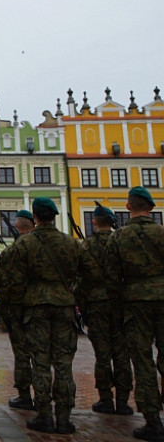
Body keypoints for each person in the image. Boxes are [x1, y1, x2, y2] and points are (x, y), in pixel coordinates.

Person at [2, 197, 97, 434]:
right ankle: (64, 418)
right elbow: (93, 274)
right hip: (63, 306)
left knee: (40, 363)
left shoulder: (24, 245)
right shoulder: (71, 243)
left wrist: (16, 308)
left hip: (35, 308)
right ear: (54, 216)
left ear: (35, 217)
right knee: (64, 364)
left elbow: (12, 282)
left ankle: (43, 415)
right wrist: (73, 294)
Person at [104, 186, 164, 442]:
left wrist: (119, 304)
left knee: (142, 360)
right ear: (151, 208)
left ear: (128, 207)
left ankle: (152, 420)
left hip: (135, 302)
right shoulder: (162, 233)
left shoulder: (119, 237)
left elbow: (110, 276)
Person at [80, 202, 132, 416]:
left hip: (96, 304)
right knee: (122, 353)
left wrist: (84, 306)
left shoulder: (86, 246)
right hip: (119, 303)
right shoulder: (121, 242)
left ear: (94, 221)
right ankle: (123, 400)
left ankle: (105, 399)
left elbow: (80, 278)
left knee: (102, 354)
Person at [0, 209, 36, 410]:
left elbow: (4, 285)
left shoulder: (11, 252)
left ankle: (24, 395)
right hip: (54, 306)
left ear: (17, 227)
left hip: (20, 309)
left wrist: (5, 314)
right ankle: (47, 396)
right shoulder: (63, 245)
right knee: (49, 355)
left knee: (22, 354)